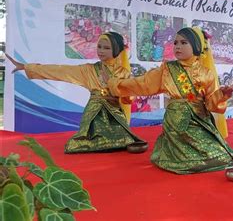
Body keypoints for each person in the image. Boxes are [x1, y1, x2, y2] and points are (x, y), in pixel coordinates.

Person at [107, 27, 233, 174]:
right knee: (185, 158)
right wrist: (115, 84)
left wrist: (221, 95)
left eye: (183, 42)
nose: (177, 46)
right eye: (175, 43)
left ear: (196, 46)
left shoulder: (206, 74)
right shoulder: (167, 69)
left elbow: (211, 103)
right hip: (176, 122)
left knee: (222, 156)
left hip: (200, 121)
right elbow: (143, 83)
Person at [6, 32, 146, 154]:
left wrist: (116, 95)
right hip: (95, 114)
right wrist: (26, 67)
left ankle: (118, 142)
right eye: (99, 47)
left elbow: (129, 95)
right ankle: (111, 143)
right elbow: (61, 71)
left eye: (107, 48)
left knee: (125, 136)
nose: (101, 51)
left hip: (115, 115)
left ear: (116, 50)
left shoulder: (123, 73)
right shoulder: (89, 70)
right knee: (77, 143)